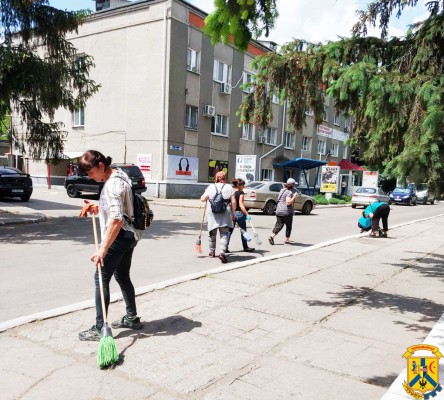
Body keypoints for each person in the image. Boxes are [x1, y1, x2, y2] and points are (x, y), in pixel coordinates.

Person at [77, 150, 142, 341]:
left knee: (100, 278)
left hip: (120, 235)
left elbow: (116, 218)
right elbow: (119, 206)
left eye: (90, 173)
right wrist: (97, 207)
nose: (89, 177)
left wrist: (103, 249)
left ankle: (99, 327)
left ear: (100, 166)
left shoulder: (112, 184)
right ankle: (131, 318)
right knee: (122, 275)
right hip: (131, 235)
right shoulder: (120, 174)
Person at [200, 171, 236, 263]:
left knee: (212, 232)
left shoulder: (211, 187)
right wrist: (233, 213)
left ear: (216, 178)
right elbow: (234, 202)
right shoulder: (229, 187)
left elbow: (202, 199)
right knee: (224, 233)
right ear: (225, 178)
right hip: (225, 212)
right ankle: (222, 253)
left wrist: (207, 196)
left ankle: (212, 252)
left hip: (212, 212)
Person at [268, 178, 300, 245]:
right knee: (288, 226)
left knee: (279, 224)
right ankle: (287, 240)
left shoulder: (282, 190)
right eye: (294, 184)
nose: (294, 186)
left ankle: (272, 236)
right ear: (292, 185)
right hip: (286, 212)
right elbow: (288, 202)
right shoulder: (289, 192)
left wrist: (294, 197)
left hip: (279, 211)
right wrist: (294, 196)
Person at [227, 178, 255, 253]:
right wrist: (247, 214)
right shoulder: (241, 193)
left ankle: (225, 247)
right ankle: (245, 247)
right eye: (243, 185)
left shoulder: (232, 192)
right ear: (239, 185)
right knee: (244, 231)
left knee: (229, 231)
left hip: (232, 213)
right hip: (239, 214)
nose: (244, 186)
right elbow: (241, 205)